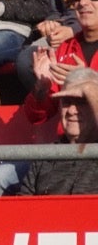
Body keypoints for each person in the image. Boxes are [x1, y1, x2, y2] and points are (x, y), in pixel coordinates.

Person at [24, 0, 98, 124]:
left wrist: (89, 82)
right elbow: (36, 117)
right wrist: (41, 89)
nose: (83, 2)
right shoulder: (65, 48)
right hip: (71, 146)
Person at [21, 66, 98, 196]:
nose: (72, 111)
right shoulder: (45, 156)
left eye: (82, 102)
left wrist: (91, 90)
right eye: (67, 102)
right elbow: (23, 206)